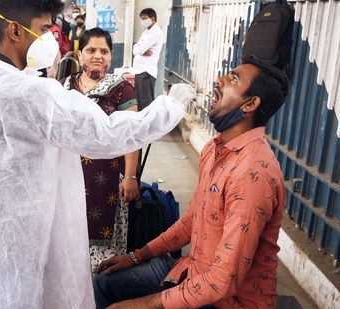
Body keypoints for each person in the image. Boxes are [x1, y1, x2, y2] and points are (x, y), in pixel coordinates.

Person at [0, 0, 195, 308]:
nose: (51, 40)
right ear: (14, 30)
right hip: (22, 240)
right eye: (43, 30)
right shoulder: (33, 93)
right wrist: (171, 107)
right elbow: (107, 133)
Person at [93, 54, 290, 309]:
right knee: (104, 281)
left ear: (250, 104)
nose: (219, 80)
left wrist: (146, 304)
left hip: (226, 301)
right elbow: (192, 220)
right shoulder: (214, 148)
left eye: (233, 79)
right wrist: (136, 256)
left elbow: (222, 281)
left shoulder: (252, 175)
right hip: (193, 272)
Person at [61, 27, 139, 270]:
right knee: (69, 233)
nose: (97, 55)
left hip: (108, 176)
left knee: (104, 241)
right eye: (91, 50)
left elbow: (131, 135)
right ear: (80, 53)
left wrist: (130, 176)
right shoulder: (64, 86)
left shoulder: (121, 88)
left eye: (103, 51)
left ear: (110, 55)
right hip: (70, 174)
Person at [132, 8, 164, 110]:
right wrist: (141, 50)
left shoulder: (156, 33)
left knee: (146, 103)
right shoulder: (146, 32)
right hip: (139, 70)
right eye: (141, 19)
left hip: (146, 72)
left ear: (153, 19)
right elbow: (135, 49)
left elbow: (140, 48)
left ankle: (149, 125)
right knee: (139, 101)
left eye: (144, 19)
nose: (142, 21)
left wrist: (140, 49)